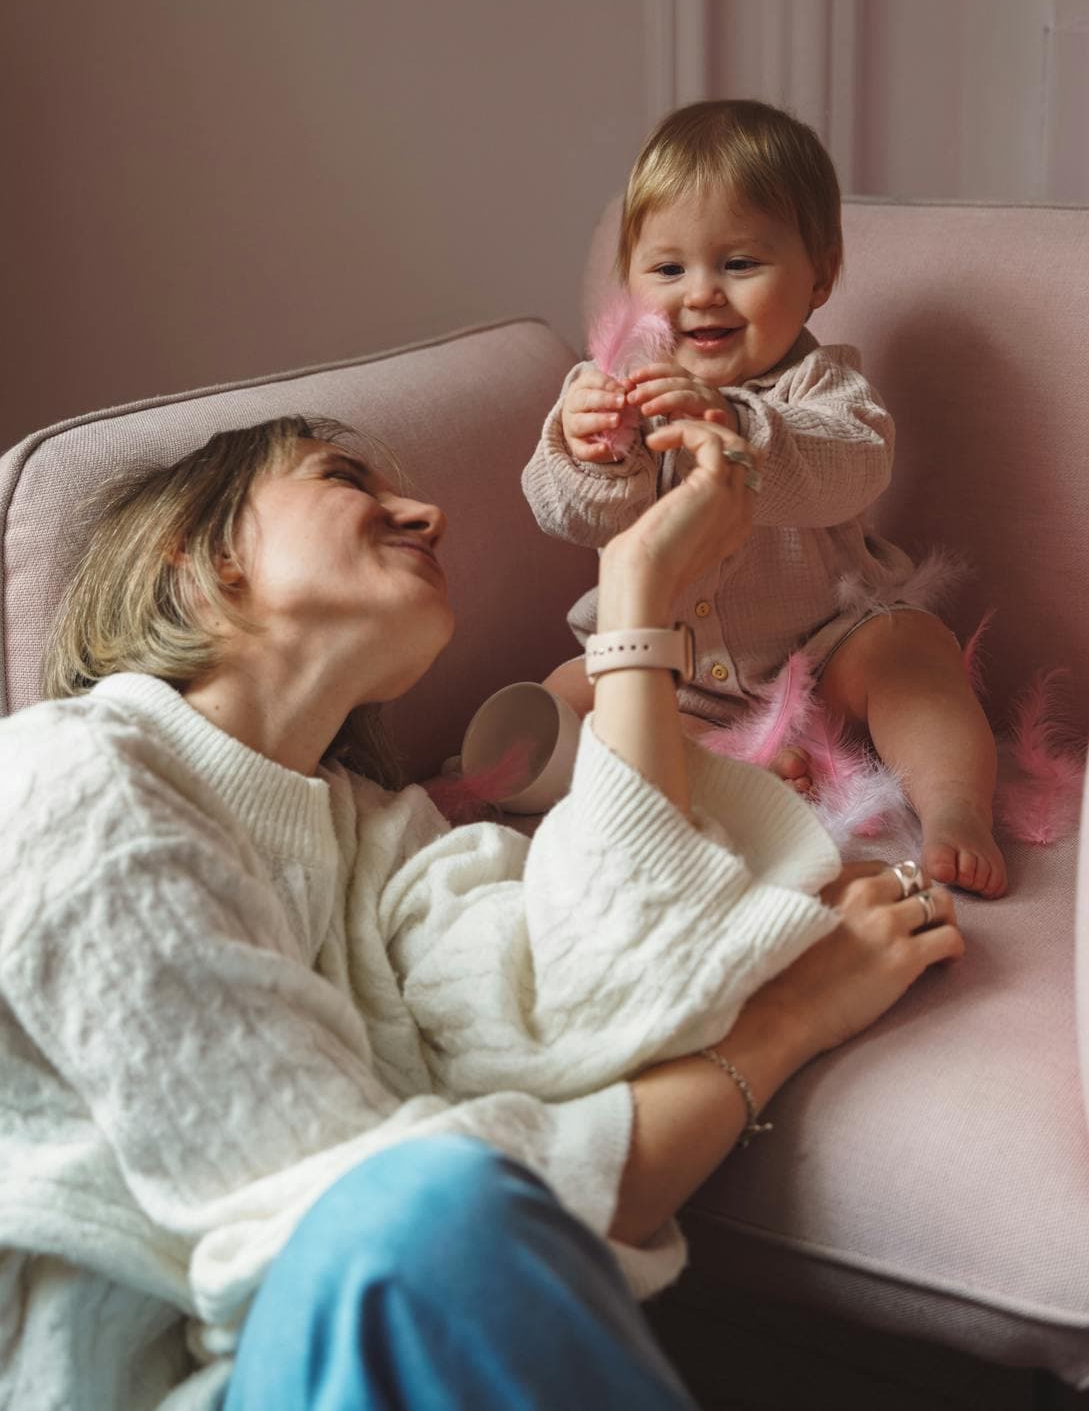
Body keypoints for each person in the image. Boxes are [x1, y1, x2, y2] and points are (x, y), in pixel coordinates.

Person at [0, 412, 962, 1411]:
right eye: (342, 478)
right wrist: (786, 1023)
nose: (427, 514)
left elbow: (612, 995)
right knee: (426, 1214)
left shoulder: (384, 844)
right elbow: (380, 1225)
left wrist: (643, 605)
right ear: (205, 558)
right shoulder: (74, 779)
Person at [522, 98, 1006, 898]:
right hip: (670, 671)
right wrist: (586, 453)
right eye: (668, 269)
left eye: (739, 264)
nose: (701, 294)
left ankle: (955, 808)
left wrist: (738, 423)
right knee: (565, 700)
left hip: (827, 647)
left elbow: (849, 468)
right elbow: (567, 515)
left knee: (910, 654)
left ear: (818, 274)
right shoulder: (611, 394)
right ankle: (739, 773)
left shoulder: (826, 383)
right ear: (629, 282)